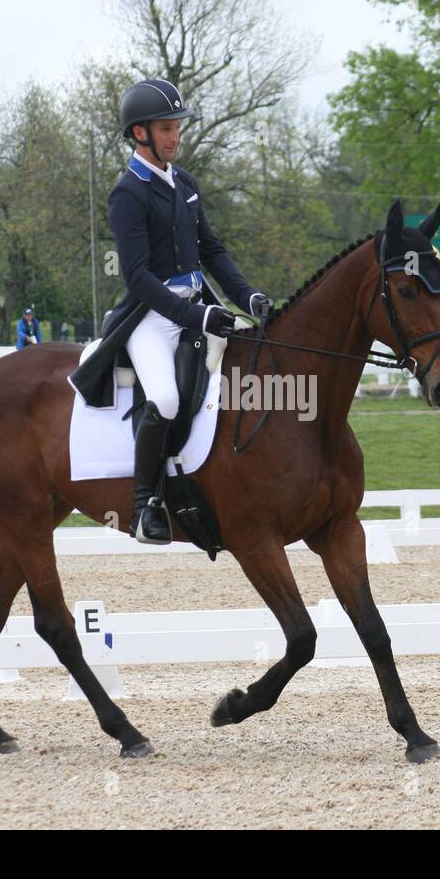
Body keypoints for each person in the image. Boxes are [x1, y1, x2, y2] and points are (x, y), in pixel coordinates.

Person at [106, 78, 271, 544]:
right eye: (165, 128)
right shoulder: (128, 193)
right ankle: (145, 507)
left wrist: (247, 295)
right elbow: (137, 276)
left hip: (202, 308)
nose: (175, 136)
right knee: (167, 399)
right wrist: (193, 317)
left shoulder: (185, 183)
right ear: (140, 133)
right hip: (151, 319)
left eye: (177, 126)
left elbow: (212, 252)